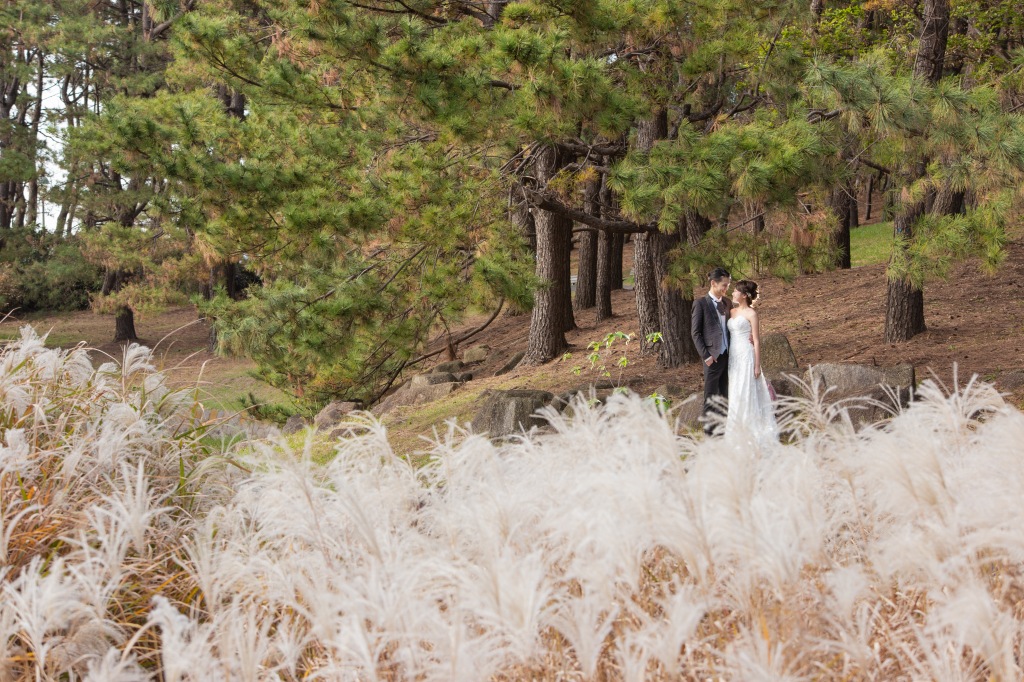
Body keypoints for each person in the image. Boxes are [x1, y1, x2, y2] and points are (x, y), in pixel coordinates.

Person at [724, 280, 778, 446]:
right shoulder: (731, 311)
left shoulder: (751, 314)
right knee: (735, 391)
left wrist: (756, 365)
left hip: (747, 356)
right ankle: (735, 431)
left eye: (735, 291)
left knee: (745, 390)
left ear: (744, 295)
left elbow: (756, 340)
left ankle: (750, 432)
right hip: (733, 356)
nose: (733, 293)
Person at [690, 267, 732, 436]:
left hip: (728, 356)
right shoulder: (700, 303)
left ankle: (722, 430)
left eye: (728, 285)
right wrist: (706, 356)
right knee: (710, 396)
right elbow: (695, 333)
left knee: (724, 394)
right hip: (712, 357)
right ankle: (709, 433)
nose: (726, 288)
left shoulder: (727, 302)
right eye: (723, 285)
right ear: (713, 283)